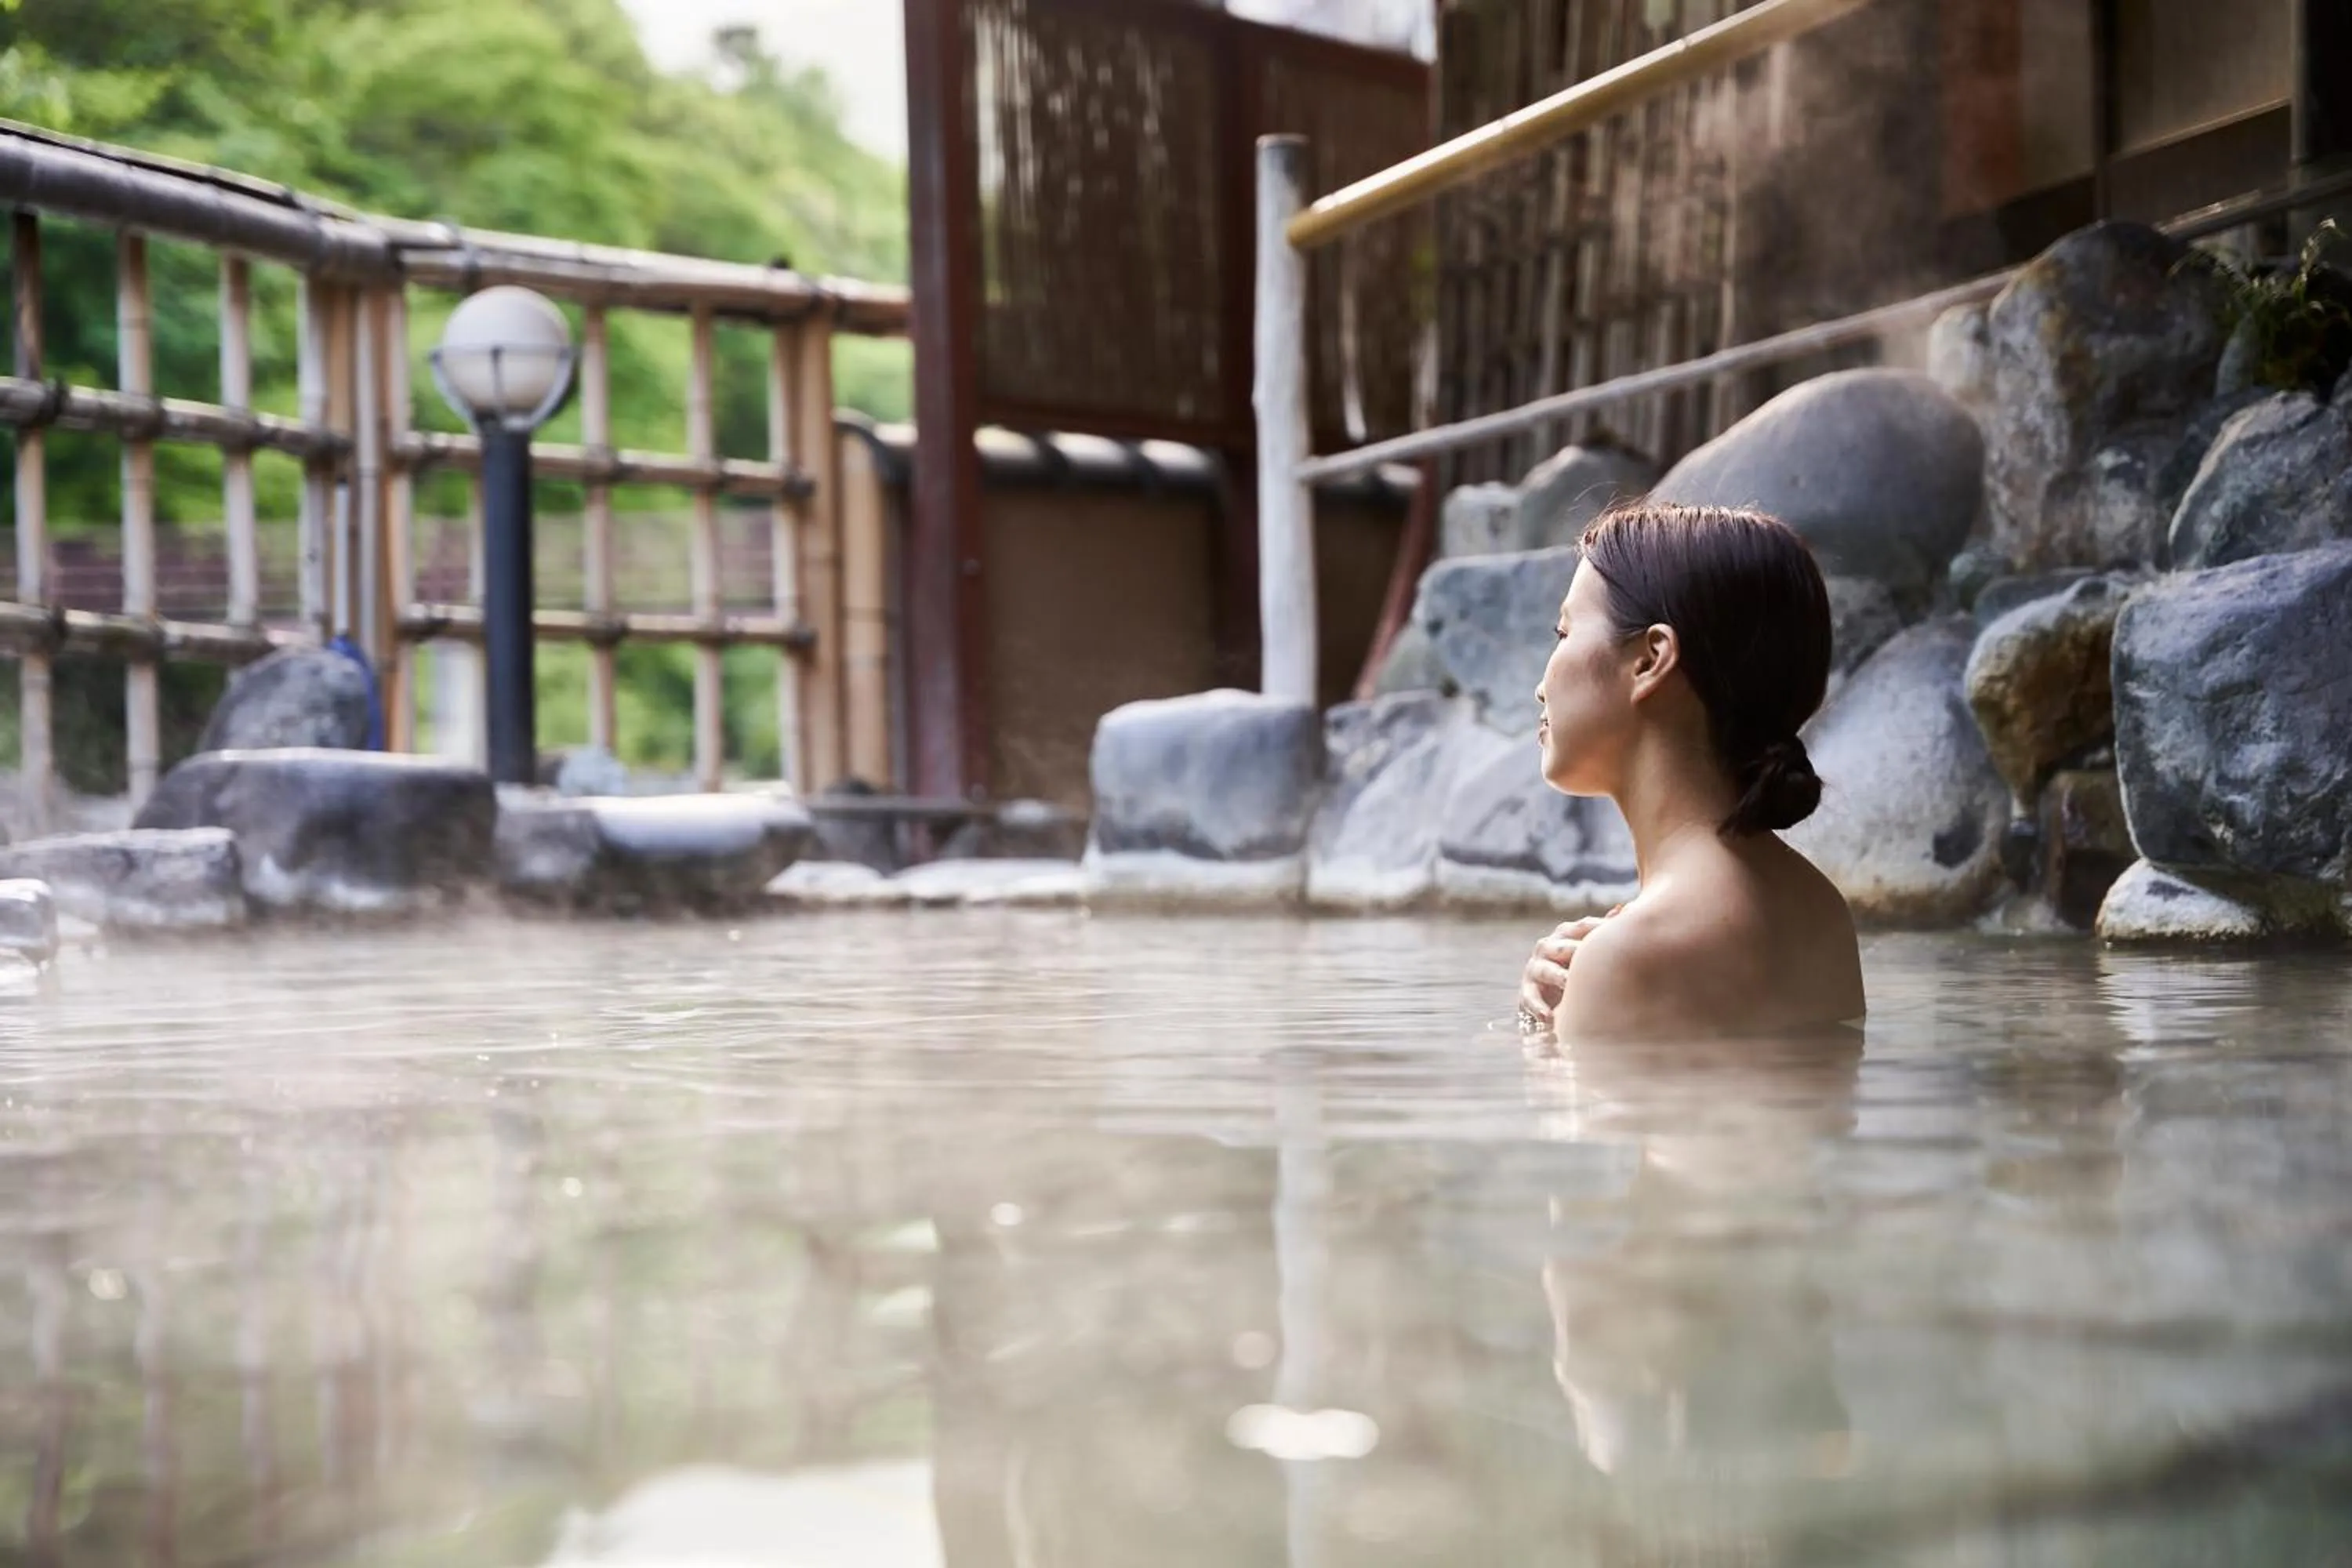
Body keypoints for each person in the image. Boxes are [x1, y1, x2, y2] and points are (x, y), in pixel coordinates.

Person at [1518, 503, 1864, 1040]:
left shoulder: (1629, 955)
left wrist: (1536, 1029)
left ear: (1651, 659)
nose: (1542, 686)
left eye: (1564, 633)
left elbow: (1577, 1122)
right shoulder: (1820, 911)